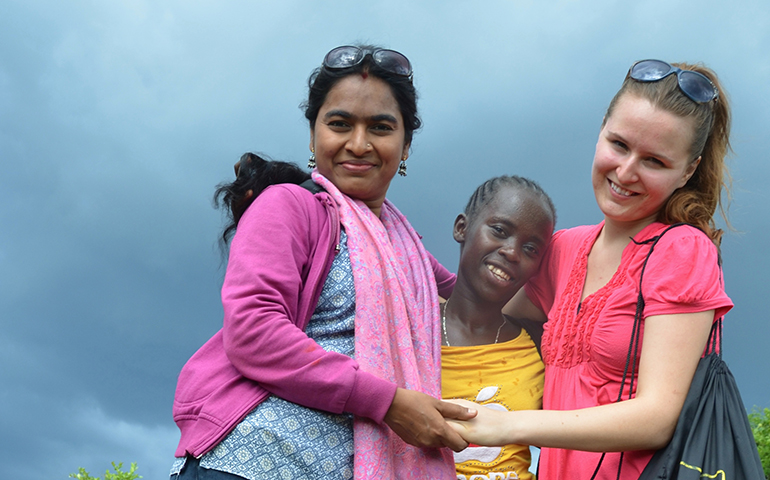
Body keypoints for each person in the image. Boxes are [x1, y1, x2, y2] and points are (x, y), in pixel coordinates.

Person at [169, 44, 474, 480]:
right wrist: (387, 402)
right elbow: (254, 331)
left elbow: (479, 301)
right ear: (314, 136)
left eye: (381, 128)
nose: (359, 143)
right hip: (251, 459)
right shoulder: (289, 206)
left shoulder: (407, 252)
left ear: (405, 146)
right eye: (340, 124)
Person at [446, 59, 734, 479]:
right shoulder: (564, 248)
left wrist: (505, 424)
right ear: (600, 129)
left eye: (654, 161)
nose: (626, 171)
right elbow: (479, 311)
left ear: (688, 171)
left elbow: (656, 419)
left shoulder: (684, 250)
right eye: (619, 144)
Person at [440, 175, 555, 480]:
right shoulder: (406, 331)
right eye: (500, 231)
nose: (512, 252)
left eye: (531, 249)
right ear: (461, 227)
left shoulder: (538, 344)